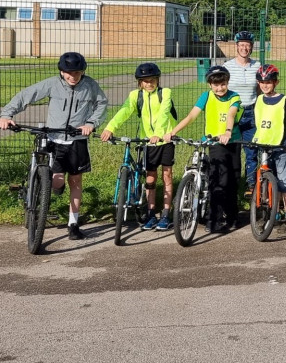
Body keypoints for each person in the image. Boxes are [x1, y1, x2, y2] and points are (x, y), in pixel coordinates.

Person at [0, 52, 108, 241]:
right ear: (61, 71)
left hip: (76, 141)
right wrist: (7, 114)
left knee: (75, 181)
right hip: (54, 139)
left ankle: (73, 223)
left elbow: (102, 104)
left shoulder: (90, 85)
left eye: (77, 73)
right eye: (68, 73)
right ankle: (48, 189)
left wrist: (91, 123)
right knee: (57, 180)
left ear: (83, 71)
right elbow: (27, 95)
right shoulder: (52, 84)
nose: (73, 77)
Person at [100, 62, 178, 231]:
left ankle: (165, 213)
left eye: (152, 80)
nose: (149, 84)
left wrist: (158, 133)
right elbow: (125, 111)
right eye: (145, 81)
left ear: (157, 80)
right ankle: (150, 213)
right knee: (150, 178)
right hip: (148, 142)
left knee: (167, 176)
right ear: (140, 83)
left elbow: (165, 114)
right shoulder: (136, 95)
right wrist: (110, 128)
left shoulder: (165, 93)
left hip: (165, 140)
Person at [169, 65, 242, 233]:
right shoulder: (206, 97)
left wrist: (228, 132)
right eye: (216, 85)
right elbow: (191, 116)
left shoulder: (234, 96)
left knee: (233, 180)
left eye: (223, 84)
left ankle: (233, 217)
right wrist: (172, 132)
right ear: (210, 85)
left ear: (227, 83)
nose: (220, 88)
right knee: (218, 182)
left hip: (232, 141)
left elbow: (231, 114)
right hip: (215, 143)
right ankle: (213, 220)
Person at [250, 64, 286, 231]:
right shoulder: (258, 100)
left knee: (285, 183)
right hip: (263, 146)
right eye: (262, 82)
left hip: (281, 146)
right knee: (266, 182)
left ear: (276, 82)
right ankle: (271, 213)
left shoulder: (284, 100)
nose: (265, 85)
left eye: (269, 82)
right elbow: (255, 122)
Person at [223, 30, 260, 196]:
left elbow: (260, 90)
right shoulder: (228, 67)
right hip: (233, 113)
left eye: (248, 45)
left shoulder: (257, 66)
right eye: (242, 45)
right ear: (236, 46)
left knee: (251, 151)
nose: (244, 48)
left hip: (251, 111)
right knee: (232, 151)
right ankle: (232, 184)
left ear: (251, 47)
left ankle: (251, 186)